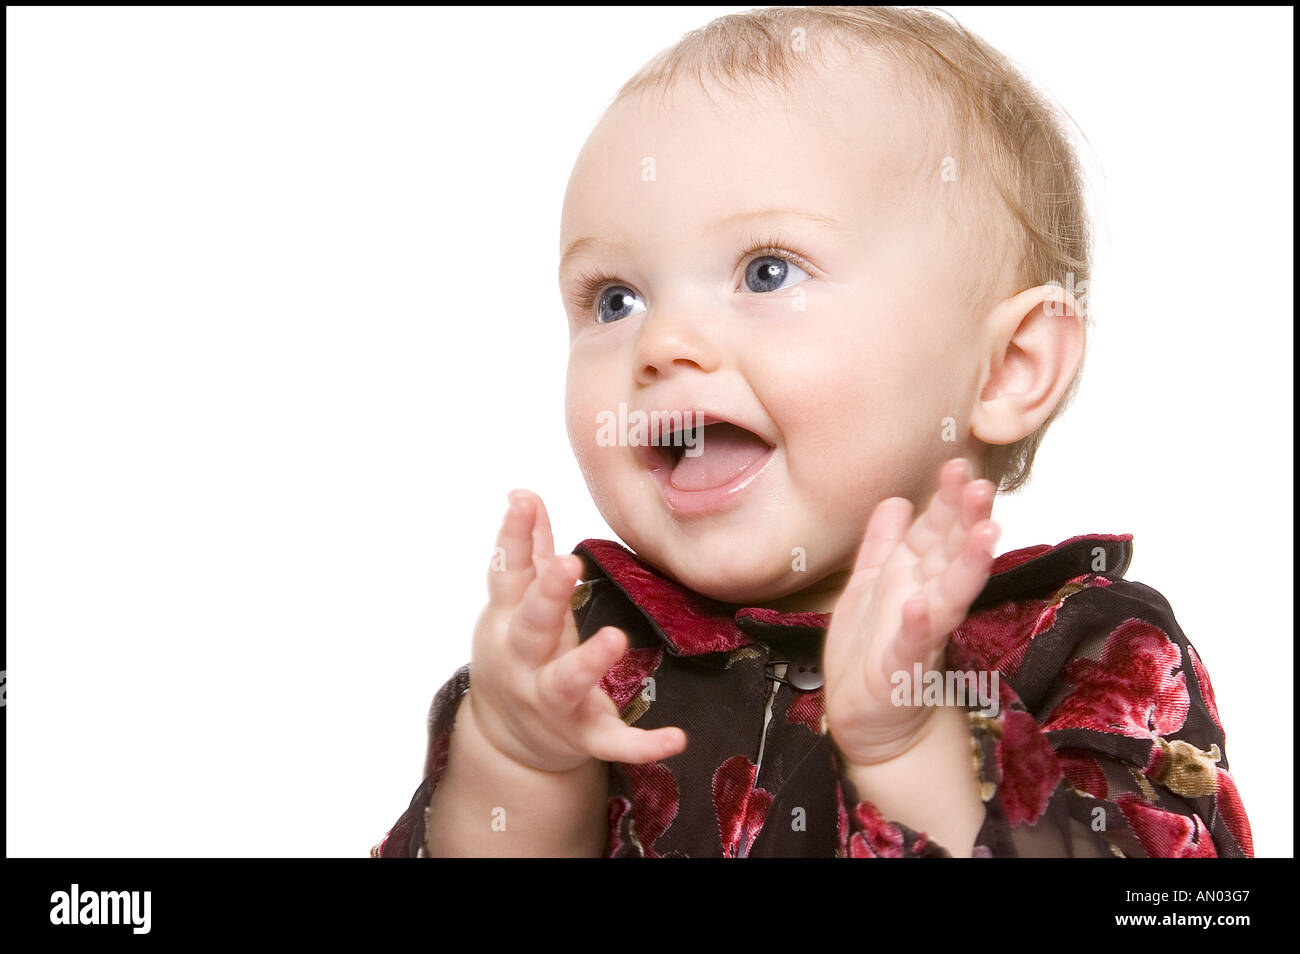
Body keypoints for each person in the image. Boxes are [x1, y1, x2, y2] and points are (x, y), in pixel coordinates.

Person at [372, 6, 1252, 858]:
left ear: (1010, 367)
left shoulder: (1088, 650)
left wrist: (916, 753)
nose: (661, 343)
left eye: (766, 271)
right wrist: (521, 763)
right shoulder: (584, 650)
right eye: (616, 299)